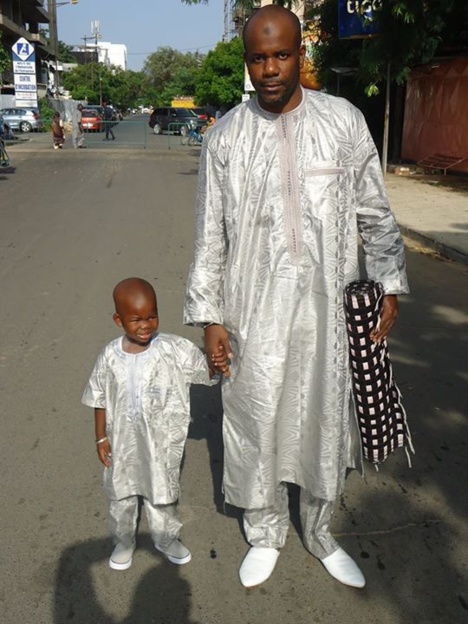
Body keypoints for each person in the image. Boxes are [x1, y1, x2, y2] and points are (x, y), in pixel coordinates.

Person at [184, 5, 409, 590]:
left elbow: (375, 213)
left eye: (281, 54)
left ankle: (320, 530)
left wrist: (388, 282)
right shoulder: (225, 138)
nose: (270, 69)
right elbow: (210, 233)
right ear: (247, 62)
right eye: (258, 58)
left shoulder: (343, 121)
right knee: (255, 415)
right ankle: (263, 531)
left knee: (324, 420)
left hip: (327, 314)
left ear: (300, 55)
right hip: (251, 312)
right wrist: (209, 316)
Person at [82, 278, 225, 571]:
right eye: (136, 319)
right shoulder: (110, 356)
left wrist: (215, 359)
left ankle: (165, 538)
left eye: (152, 316)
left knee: (163, 491)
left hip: (161, 443)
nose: (145, 325)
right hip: (120, 442)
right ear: (118, 319)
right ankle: (123, 541)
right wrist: (100, 437)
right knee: (120, 493)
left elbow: (205, 371)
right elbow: (99, 397)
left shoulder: (174, 348)